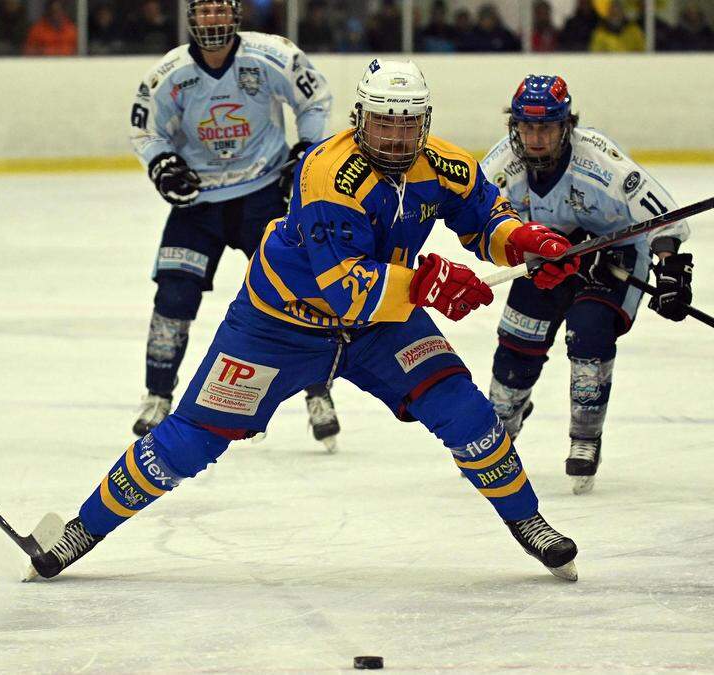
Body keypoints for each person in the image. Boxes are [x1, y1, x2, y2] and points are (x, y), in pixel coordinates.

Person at [30, 60, 582, 583]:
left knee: (464, 410)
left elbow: (485, 216)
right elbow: (343, 287)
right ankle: (81, 530)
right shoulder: (327, 173)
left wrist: (529, 241)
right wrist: (425, 286)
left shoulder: (443, 164)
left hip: (380, 327)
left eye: (407, 124)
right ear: (358, 119)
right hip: (277, 326)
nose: (394, 138)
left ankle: (526, 519)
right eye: (383, 124)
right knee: (191, 440)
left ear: (425, 123)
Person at [129, 0, 338, 449]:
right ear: (191, 19)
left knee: (296, 291)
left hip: (264, 196)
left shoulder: (272, 56)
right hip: (198, 204)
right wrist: (161, 162)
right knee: (174, 294)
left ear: (236, 15)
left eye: (220, 10)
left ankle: (318, 392)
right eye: (204, 11)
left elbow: (314, 97)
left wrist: (306, 150)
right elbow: (146, 127)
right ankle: (157, 394)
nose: (213, 20)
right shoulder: (171, 73)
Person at [482, 75, 691, 495]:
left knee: (589, 332)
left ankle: (585, 436)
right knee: (516, 345)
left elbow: (662, 214)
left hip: (610, 258)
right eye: (527, 127)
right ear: (515, 127)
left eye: (546, 128)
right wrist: (514, 248)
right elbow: (479, 221)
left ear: (566, 126)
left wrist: (670, 270)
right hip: (543, 258)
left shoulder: (599, 160)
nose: (536, 138)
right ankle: (502, 423)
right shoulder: (503, 165)